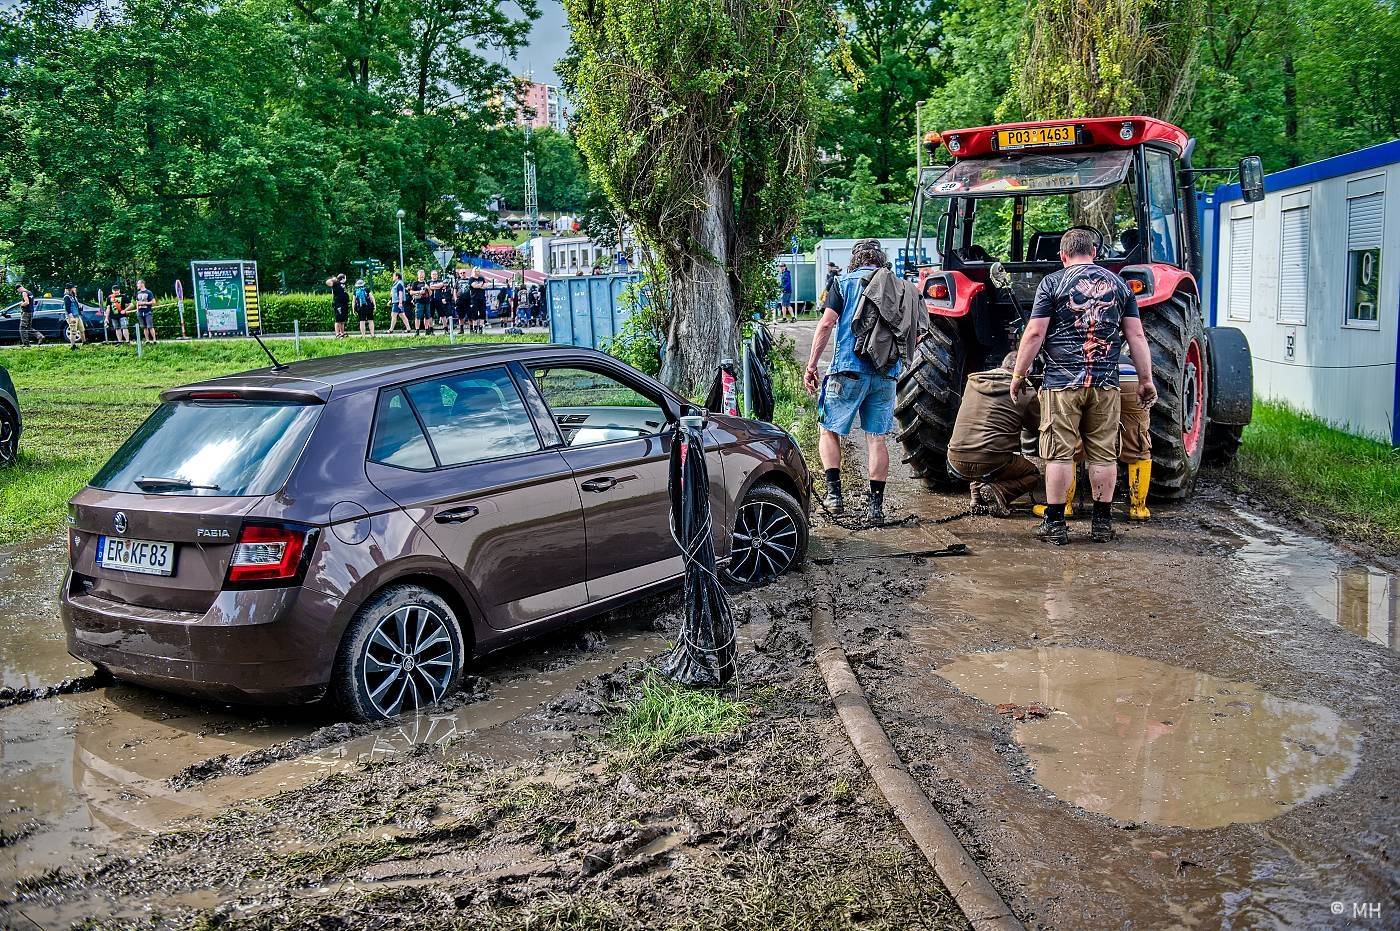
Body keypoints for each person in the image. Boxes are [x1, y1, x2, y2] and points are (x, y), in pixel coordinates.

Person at [1009, 227, 1157, 545]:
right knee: (1103, 455)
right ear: (1094, 252)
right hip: (1106, 384)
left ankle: (1056, 525)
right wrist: (1146, 379)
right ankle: (1101, 525)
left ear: (1063, 255)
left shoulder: (1052, 283)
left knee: (1060, 455)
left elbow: (1034, 333)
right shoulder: (1119, 285)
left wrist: (1019, 374)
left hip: (1061, 385)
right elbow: (1137, 336)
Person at [803, 239, 901, 523]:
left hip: (847, 370)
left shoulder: (843, 283)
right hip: (886, 374)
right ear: (881, 261)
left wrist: (811, 366)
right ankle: (876, 508)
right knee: (876, 438)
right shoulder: (898, 285)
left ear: (855, 260)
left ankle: (834, 498)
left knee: (829, 430)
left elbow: (825, 324)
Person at [947, 353, 1041, 517]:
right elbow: (1038, 429)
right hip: (991, 462)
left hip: (954, 459)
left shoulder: (974, 382)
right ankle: (998, 491)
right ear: (1025, 372)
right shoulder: (1025, 390)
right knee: (1032, 473)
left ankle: (977, 497)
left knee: (983, 444)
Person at [15, 282, 42, 347]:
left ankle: (26, 344)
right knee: (29, 327)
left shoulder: (24, 293)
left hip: (26, 312)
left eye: (18, 291)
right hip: (31, 312)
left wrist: (21, 304)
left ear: (19, 289)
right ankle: (39, 335)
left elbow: (27, 302)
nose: (18, 292)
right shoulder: (29, 292)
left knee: (22, 328)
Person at [133, 279, 157, 344]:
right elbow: (137, 302)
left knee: (150, 326)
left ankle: (154, 340)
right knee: (144, 327)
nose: (137, 285)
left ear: (142, 284)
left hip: (147, 312)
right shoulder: (138, 293)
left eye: (138, 283)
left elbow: (154, 302)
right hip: (140, 312)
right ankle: (147, 340)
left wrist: (144, 303)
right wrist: (137, 311)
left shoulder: (149, 292)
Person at [327, 273, 349, 338]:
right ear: (342, 278)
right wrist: (333, 279)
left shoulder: (343, 285)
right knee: (338, 319)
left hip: (344, 304)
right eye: (345, 277)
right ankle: (337, 334)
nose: (346, 279)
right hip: (338, 304)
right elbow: (327, 282)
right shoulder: (335, 283)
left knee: (342, 320)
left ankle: (342, 333)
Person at [63, 284, 85, 349]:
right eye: (74, 288)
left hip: (77, 315)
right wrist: (71, 317)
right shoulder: (67, 297)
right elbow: (67, 308)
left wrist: (80, 308)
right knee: (73, 331)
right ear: (70, 289)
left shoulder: (73, 296)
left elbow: (76, 306)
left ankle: (84, 342)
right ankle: (73, 345)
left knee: (82, 329)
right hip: (72, 316)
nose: (75, 289)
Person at [409, 270, 431, 334]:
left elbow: (430, 293)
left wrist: (428, 288)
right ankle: (417, 331)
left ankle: (427, 330)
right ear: (418, 275)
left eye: (423, 274)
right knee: (418, 316)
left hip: (427, 301)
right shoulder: (415, 283)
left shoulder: (426, 282)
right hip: (419, 302)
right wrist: (419, 292)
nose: (422, 275)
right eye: (420, 274)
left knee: (427, 316)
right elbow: (411, 292)